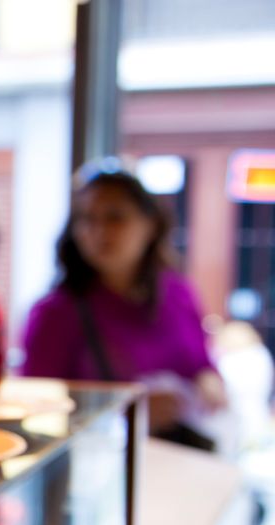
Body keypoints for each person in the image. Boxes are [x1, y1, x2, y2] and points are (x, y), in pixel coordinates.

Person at [21, 169, 226, 444]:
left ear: (150, 225)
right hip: (100, 473)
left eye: (115, 217)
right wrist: (125, 416)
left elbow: (200, 363)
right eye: (87, 219)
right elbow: (36, 415)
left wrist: (209, 382)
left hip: (181, 462)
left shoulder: (178, 293)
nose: (99, 231)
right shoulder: (56, 313)